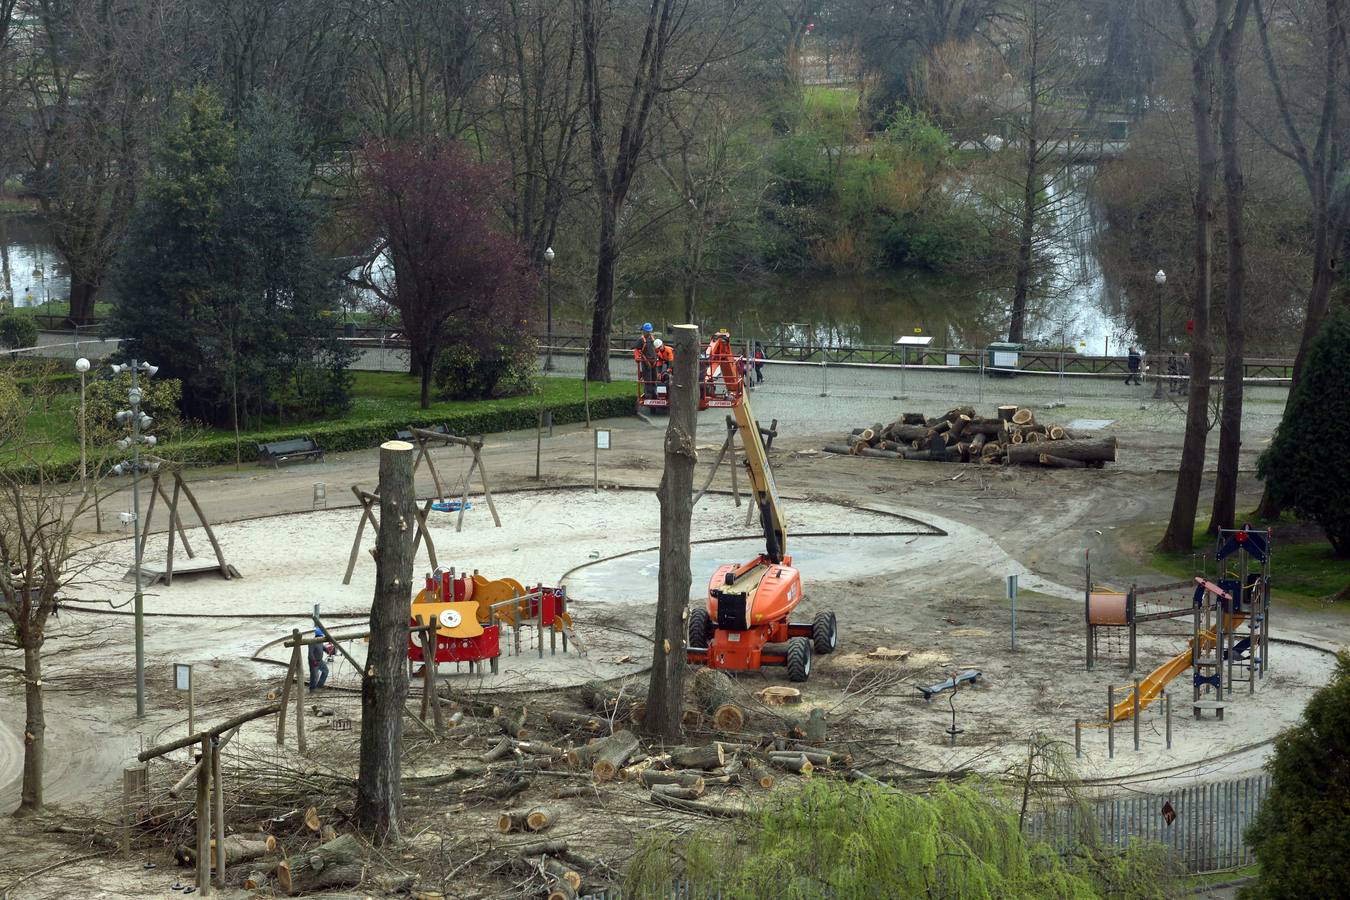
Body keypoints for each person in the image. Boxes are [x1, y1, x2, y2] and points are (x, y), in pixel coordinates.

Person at [633, 323, 657, 397]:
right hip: (646, 362)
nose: (649, 332)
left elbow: (656, 349)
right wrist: (636, 357)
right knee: (647, 379)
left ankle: (655, 393)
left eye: (650, 331)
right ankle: (648, 395)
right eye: (647, 331)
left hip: (654, 361)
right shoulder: (641, 340)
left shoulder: (652, 338)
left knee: (654, 378)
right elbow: (637, 350)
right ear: (643, 331)